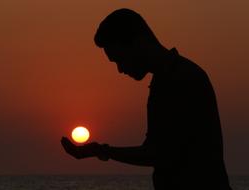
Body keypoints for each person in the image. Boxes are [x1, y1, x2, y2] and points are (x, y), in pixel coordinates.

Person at [61, 8, 232, 190]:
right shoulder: (165, 80)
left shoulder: (180, 79)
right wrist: (100, 151)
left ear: (138, 43)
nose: (120, 69)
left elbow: (159, 153)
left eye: (119, 59)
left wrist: (101, 151)